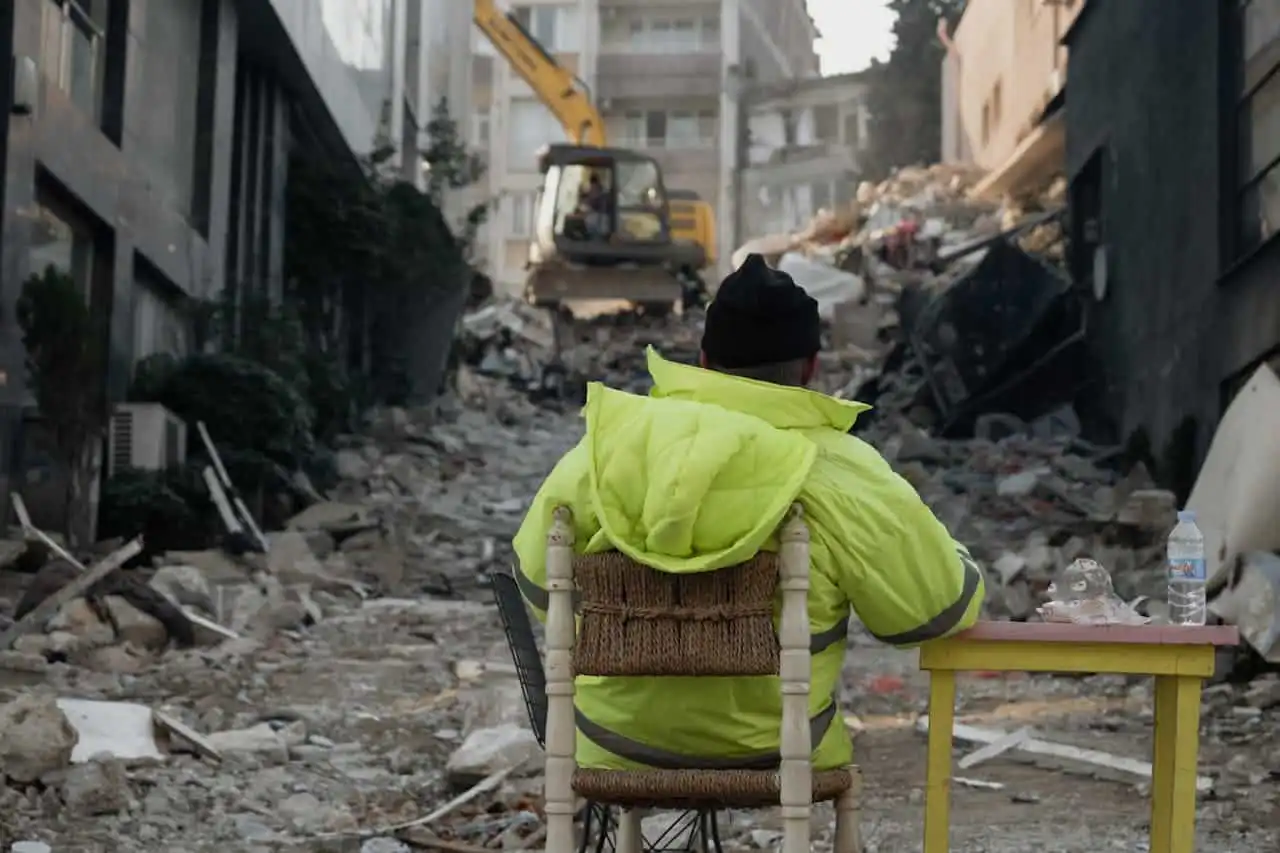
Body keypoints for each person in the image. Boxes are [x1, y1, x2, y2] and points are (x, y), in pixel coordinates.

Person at [512, 253, 984, 773]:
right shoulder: (842, 473)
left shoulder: (610, 451)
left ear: (704, 360)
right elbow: (933, 613)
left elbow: (538, 586)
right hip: (778, 752)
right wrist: (954, 557)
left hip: (612, 746)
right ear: (811, 368)